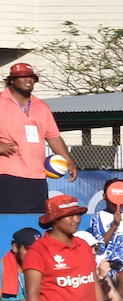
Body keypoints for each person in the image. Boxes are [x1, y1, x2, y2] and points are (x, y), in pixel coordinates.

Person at [0, 61, 77, 216]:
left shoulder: (41, 106)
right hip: (8, 174)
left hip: (38, 175)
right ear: (11, 81)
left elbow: (54, 137)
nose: (28, 80)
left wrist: (69, 162)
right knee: (10, 220)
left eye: (31, 77)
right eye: (22, 77)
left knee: (35, 220)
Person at [0, 227, 40, 301]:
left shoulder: (43, 269)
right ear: (15, 247)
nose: (34, 254)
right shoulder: (2, 269)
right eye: (29, 249)